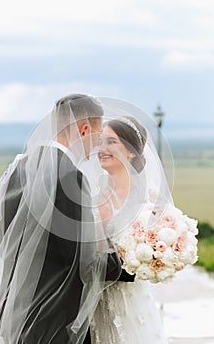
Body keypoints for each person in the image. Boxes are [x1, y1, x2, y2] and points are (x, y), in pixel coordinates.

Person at [0, 94, 133, 344]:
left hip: (19, 313)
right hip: (55, 318)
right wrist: (133, 265)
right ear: (84, 129)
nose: (97, 147)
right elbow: (82, 260)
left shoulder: (18, 169)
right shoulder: (70, 177)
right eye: (97, 137)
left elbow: (7, 237)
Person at [90, 116, 169, 343]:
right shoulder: (90, 193)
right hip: (92, 299)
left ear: (131, 151)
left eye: (111, 142)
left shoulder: (149, 196)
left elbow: (161, 243)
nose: (102, 149)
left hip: (130, 299)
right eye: (101, 141)